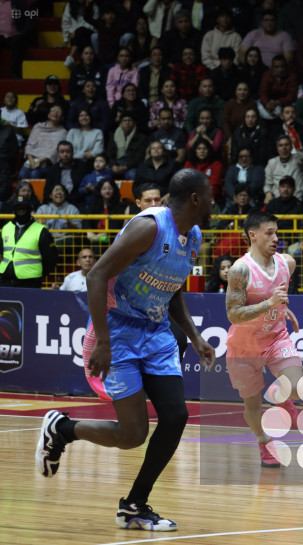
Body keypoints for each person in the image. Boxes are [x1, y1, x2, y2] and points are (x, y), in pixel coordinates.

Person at [35, 169, 216, 531]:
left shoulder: (193, 235)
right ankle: (64, 429)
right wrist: (102, 340)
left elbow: (172, 290)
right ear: (195, 198)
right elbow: (96, 275)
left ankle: (134, 505)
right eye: (210, 195)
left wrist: (194, 337)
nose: (214, 201)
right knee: (133, 434)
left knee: (176, 417)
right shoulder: (148, 227)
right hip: (117, 334)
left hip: (157, 333)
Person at [225, 211, 302, 467]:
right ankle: (263, 442)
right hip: (243, 347)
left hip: (275, 337)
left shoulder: (287, 263)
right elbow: (233, 314)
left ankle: (282, 397)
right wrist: (270, 304)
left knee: (296, 384)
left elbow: (277, 295)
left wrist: (282, 309)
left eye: (276, 232)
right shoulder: (240, 269)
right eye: (269, 233)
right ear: (253, 235)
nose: (275, 238)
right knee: (253, 406)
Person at [0, 197, 59, 289]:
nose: (21, 210)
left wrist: (39, 275)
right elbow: (1, 253)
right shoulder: (6, 228)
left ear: (30, 210)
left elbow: (51, 258)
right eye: (18, 208)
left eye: (23, 208)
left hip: (30, 282)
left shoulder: (41, 231)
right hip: (6, 280)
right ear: (14, 210)